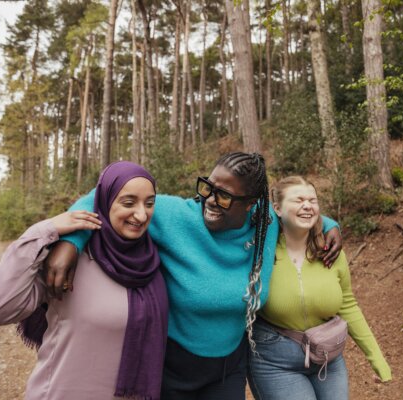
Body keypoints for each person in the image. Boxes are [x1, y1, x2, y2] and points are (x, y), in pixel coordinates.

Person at [45, 152, 343, 400]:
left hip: (228, 368)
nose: (210, 201)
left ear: (251, 203)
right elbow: (103, 197)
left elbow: (303, 213)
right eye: (207, 187)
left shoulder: (265, 222)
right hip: (169, 366)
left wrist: (331, 226)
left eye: (224, 196)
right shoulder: (177, 216)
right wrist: (71, 241)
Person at [0, 161, 168, 400]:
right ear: (105, 201)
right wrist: (46, 230)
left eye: (149, 204)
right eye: (128, 203)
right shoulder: (67, 259)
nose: (141, 214)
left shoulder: (153, 261)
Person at [247, 176, 391, 400]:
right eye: (298, 200)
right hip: (275, 362)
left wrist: (376, 358)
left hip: (327, 358)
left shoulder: (330, 251)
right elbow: (241, 209)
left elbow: (348, 305)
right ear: (276, 208)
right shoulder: (260, 249)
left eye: (312, 200)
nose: (307, 205)